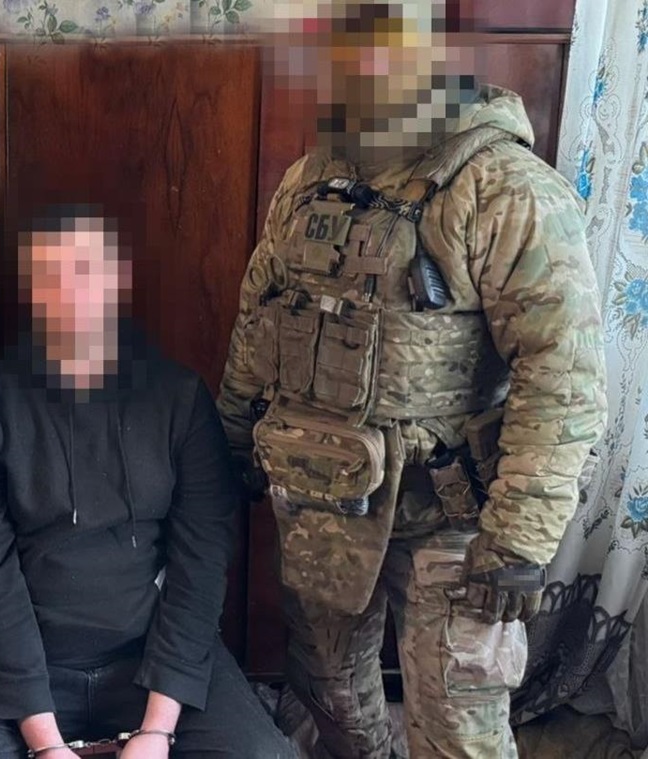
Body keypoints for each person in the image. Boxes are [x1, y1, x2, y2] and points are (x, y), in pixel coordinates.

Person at [218, 2, 607, 757]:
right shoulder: (311, 178)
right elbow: (261, 312)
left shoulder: (504, 187)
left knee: (458, 727)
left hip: (454, 516)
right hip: (323, 496)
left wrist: (519, 538)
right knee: (329, 690)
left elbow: (563, 373)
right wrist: (232, 435)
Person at [0, 207, 295, 758]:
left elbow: (201, 565)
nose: (71, 294)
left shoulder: (179, 398)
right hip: (22, 666)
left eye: (85, 271)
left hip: (151, 661)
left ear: (118, 280)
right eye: (50, 276)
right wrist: (46, 745)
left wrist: (157, 730)